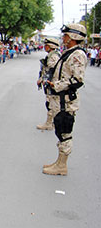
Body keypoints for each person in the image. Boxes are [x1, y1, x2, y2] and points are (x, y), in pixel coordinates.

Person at [43, 23, 88, 176]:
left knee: (65, 132)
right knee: (60, 130)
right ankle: (59, 161)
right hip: (60, 100)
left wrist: (57, 85)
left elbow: (77, 80)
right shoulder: (69, 52)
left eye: (66, 35)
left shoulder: (77, 55)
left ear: (74, 37)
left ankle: (62, 165)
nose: (64, 38)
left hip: (66, 101)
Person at [36, 38, 61, 130]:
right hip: (50, 83)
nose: (44, 47)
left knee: (50, 103)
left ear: (51, 46)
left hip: (51, 83)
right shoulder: (52, 55)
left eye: (46, 45)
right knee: (50, 102)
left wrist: (43, 79)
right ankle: (52, 122)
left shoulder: (54, 56)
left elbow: (51, 71)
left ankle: (49, 123)